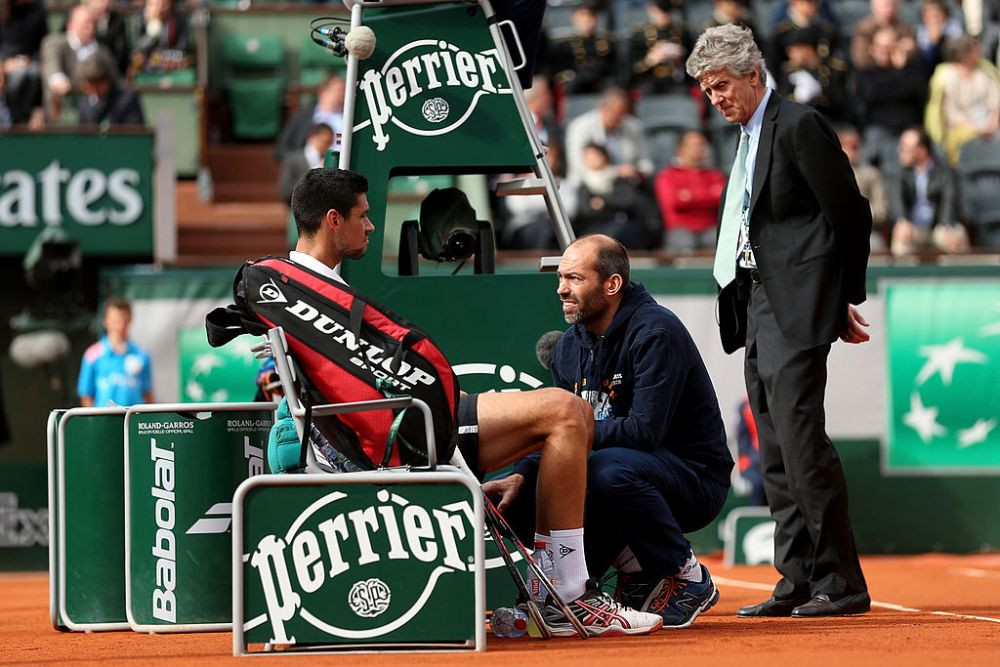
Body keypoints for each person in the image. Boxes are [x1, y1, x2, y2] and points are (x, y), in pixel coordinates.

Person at [281, 168, 663, 638]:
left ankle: (560, 590)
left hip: (394, 423)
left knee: (567, 411)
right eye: (364, 215)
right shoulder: (310, 292)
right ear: (333, 220)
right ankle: (565, 595)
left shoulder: (298, 287)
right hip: (396, 434)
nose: (372, 226)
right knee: (566, 411)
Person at [686, 24, 872, 617]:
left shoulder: (797, 125)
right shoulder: (745, 136)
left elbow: (851, 213)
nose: (715, 98)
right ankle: (796, 579)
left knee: (801, 441)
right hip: (758, 302)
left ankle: (842, 582)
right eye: (707, 90)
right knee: (774, 450)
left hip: (796, 302)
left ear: (753, 75)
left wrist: (842, 297)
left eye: (721, 85)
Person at [485, 234, 733, 629]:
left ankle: (689, 577)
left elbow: (643, 433)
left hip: (692, 478)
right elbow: (557, 436)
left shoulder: (656, 333)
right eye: (561, 278)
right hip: (621, 472)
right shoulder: (569, 347)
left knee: (606, 470)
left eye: (574, 278)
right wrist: (521, 474)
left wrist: (570, 431)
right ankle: (574, 591)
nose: (561, 289)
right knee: (512, 498)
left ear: (611, 285)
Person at [888, 126, 968, 255]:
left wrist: (947, 227)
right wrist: (901, 220)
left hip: (938, 227)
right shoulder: (899, 173)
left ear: (922, 150)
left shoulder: (944, 172)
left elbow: (949, 200)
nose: (900, 151)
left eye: (905, 147)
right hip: (913, 229)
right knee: (900, 242)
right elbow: (896, 200)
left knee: (957, 237)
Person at [40, 3, 118, 121]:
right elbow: (53, 70)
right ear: (70, 25)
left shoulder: (103, 51)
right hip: (62, 114)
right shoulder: (54, 44)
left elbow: (114, 80)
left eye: (93, 23)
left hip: (97, 115)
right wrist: (60, 82)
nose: (90, 28)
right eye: (86, 23)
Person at [654, 129, 726, 251]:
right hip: (680, 229)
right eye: (694, 145)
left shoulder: (715, 175)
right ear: (680, 149)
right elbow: (674, 203)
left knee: (720, 242)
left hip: (710, 227)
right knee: (684, 242)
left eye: (702, 144)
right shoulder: (666, 176)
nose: (699, 149)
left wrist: (691, 197)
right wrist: (709, 194)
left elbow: (724, 200)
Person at [564, 87, 654, 183]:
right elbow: (579, 168)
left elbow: (646, 162)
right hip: (590, 186)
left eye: (623, 114)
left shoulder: (633, 126)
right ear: (603, 108)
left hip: (628, 185)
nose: (620, 119)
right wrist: (616, 172)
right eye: (616, 113)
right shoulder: (579, 127)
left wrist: (638, 171)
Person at [77, 297, 152, 408]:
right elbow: (86, 395)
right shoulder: (92, 355)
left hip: (133, 421)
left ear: (130, 320)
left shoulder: (142, 355)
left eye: (125, 320)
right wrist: (94, 422)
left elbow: (148, 395)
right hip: (104, 421)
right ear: (106, 321)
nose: (121, 326)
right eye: (116, 320)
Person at [836, 124, 890, 251]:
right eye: (851, 147)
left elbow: (882, 210)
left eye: (857, 147)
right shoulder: (829, 174)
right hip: (837, 232)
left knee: (875, 245)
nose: (856, 151)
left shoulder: (871, 174)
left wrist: (860, 212)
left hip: (867, 232)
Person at [549, 2, 619, 95]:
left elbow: (614, 67)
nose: (587, 20)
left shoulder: (608, 43)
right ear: (574, 18)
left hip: (602, 81)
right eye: (582, 15)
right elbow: (557, 72)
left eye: (591, 16)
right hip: (575, 84)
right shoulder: (564, 45)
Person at [626, 0, 693, 95]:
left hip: (676, 81)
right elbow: (630, 70)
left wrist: (681, 56)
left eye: (667, 12)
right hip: (650, 81)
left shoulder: (682, 33)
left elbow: (694, 64)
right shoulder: (639, 35)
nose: (664, 16)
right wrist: (650, 60)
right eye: (661, 11)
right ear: (651, 9)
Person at [275, 74, 345, 161]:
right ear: (323, 91)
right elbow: (281, 148)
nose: (342, 94)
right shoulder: (302, 116)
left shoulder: (349, 119)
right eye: (338, 90)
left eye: (344, 91)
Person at [126, 0, 192, 78]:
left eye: (164, 4)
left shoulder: (178, 19)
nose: (160, 7)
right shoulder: (138, 18)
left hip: (171, 64)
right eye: (156, 4)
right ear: (148, 4)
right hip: (145, 67)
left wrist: (164, 57)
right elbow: (137, 50)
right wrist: (153, 29)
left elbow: (183, 48)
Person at [75, 54, 144, 126]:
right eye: (89, 82)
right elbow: (82, 135)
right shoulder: (84, 103)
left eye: (97, 81)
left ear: (107, 80)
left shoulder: (127, 100)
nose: (93, 87)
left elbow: (134, 133)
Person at [851, 0, 917, 70]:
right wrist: (880, 53)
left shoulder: (906, 29)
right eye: (885, 5)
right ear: (875, 5)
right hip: (873, 75)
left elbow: (915, 51)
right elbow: (860, 59)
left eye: (893, 4)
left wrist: (906, 52)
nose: (889, 9)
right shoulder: (864, 29)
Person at [279, 122, 333, 205]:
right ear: (313, 138)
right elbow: (286, 192)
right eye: (325, 142)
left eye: (330, 143)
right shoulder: (292, 160)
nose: (328, 146)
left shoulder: (330, 161)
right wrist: (313, 174)